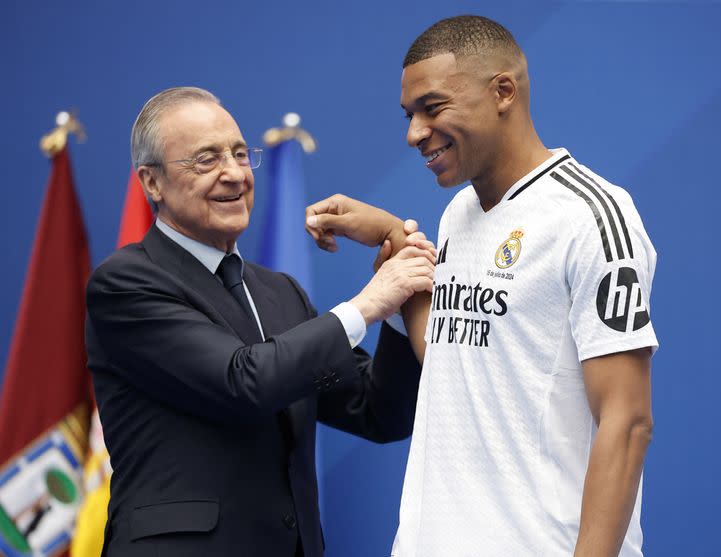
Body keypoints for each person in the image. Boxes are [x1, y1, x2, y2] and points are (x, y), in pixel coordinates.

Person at [305, 15, 658, 557]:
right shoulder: (458, 215)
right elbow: (449, 354)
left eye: (433, 107)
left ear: (503, 92)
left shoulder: (592, 217)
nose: (414, 133)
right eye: (409, 115)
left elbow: (627, 422)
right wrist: (388, 233)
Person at [85, 86, 435, 557]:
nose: (234, 174)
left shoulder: (280, 293)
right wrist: (369, 303)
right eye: (206, 160)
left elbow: (378, 412)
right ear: (152, 182)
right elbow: (242, 381)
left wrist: (394, 312)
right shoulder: (125, 283)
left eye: (239, 154)